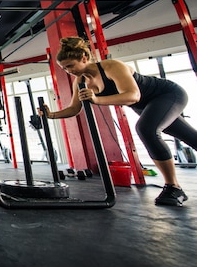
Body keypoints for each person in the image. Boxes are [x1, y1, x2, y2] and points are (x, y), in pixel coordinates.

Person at [42, 36, 197, 206]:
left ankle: (173, 187)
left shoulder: (111, 67)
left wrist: (96, 99)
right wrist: (51, 115)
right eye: (64, 68)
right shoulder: (81, 81)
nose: (68, 71)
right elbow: (74, 109)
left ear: (84, 58)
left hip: (167, 95)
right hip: (144, 105)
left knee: (146, 129)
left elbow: (133, 95)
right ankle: (173, 186)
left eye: (70, 65)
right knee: (189, 137)